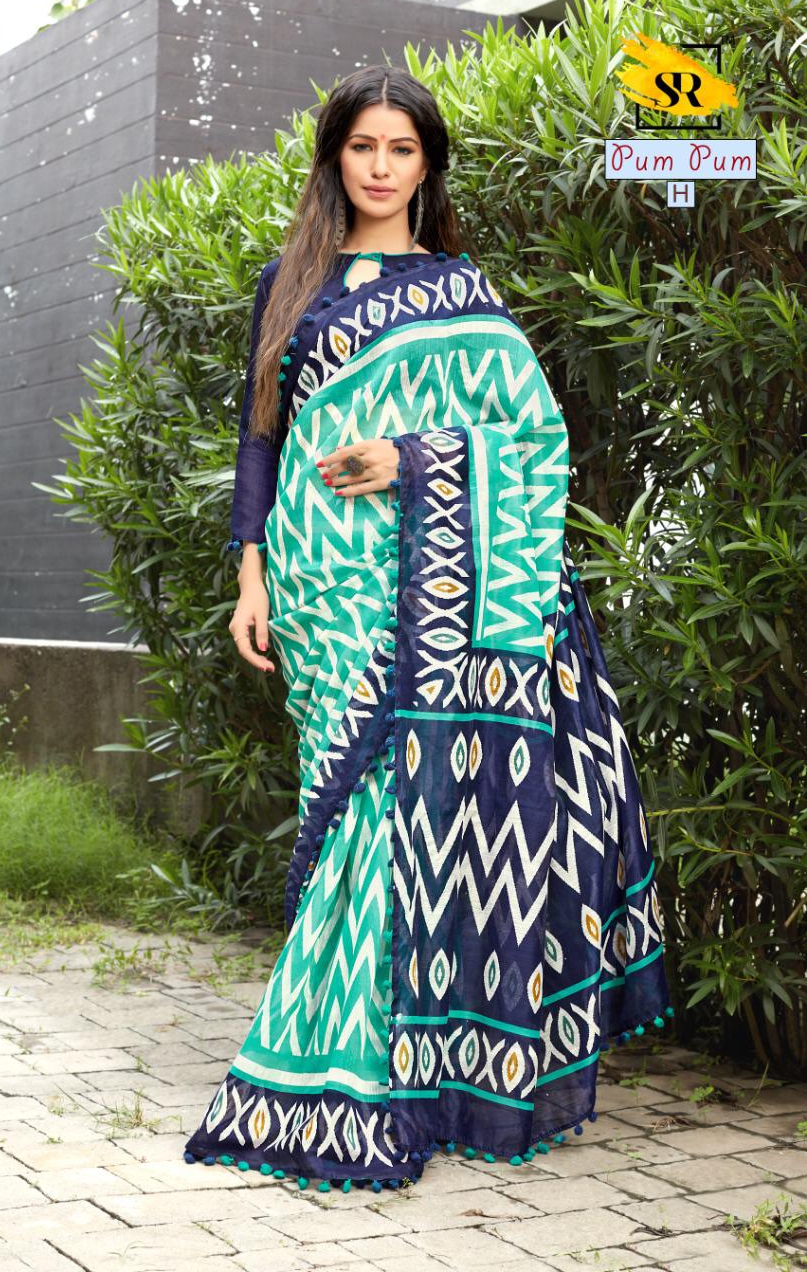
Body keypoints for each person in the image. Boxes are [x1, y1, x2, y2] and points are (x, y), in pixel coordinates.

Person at [183, 64, 672, 1195]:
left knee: (410, 805)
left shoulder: (462, 293)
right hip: (321, 579)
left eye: (401, 148)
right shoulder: (288, 288)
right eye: (362, 146)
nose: (380, 166)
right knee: (351, 797)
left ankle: (376, 1068)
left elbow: (529, 441)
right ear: (334, 159)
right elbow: (260, 438)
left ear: (426, 166)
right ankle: (369, 1054)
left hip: (430, 582)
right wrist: (250, 573)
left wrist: (412, 459)